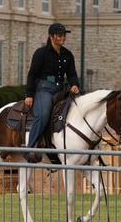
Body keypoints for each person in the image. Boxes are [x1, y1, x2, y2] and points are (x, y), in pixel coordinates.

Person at [23, 22, 80, 163]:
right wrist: (29, 94)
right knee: (43, 115)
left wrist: (74, 85)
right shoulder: (41, 53)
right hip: (44, 89)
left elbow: (72, 74)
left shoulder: (68, 54)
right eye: (60, 35)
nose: (63, 38)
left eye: (64, 35)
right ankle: (30, 149)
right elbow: (32, 74)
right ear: (51, 36)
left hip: (61, 89)